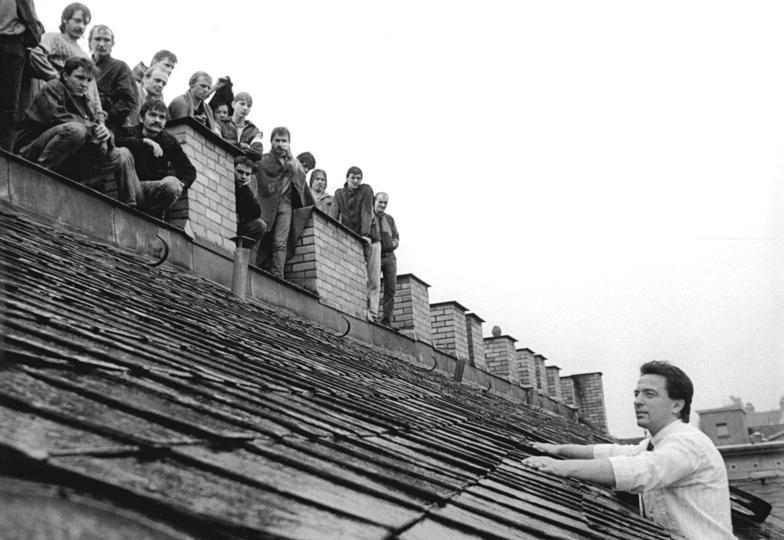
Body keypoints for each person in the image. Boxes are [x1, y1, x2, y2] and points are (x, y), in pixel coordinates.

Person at [522, 361, 735, 540]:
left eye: (649, 394)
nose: (637, 401)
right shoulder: (659, 442)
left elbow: (641, 470)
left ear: (677, 405)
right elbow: (615, 453)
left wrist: (562, 468)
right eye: (637, 393)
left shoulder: (688, 444)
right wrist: (560, 449)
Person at [15, 56, 138, 204]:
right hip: (30, 149)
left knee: (118, 156)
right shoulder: (54, 87)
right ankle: (37, 176)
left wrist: (106, 134)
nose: (84, 84)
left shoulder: (84, 101)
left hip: (65, 159)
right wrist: (93, 127)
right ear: (66, 75)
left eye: (88, 80)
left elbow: (95, 127)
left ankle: (75, 187)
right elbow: (58, 116)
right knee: (76, 130)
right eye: (79, 78)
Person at [115, 99, 196, 218]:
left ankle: (155, 215)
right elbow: (115, 142)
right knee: (123, 152)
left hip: (154, 190)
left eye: (162, 117)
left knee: (172, 184)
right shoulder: (130, 132)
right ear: (142, 118)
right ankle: (129, 208)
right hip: (132, 185)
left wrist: (181, 184)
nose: (157, 120)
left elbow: (189, 171)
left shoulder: (169, 141)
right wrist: (143, 142)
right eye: (153, 115)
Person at [256, 127, 315, 278]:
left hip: (286, 204)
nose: (280, 144)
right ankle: (251, 267)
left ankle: (277, 275)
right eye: (277, 140)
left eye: (284, 141)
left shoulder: (292, 162)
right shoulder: (264, 160)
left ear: (289, 143)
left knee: (280, 243)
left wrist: (290, 159)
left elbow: (300, 179)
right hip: (266, 201)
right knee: (259, 234)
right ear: (271, 142)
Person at [330, 166, 380, 321]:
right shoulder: (339, 194)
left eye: (359, 178)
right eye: (353, 177)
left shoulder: (366, 190)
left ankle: (372, 312)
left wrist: (365, 235)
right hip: (352, 239)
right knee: (356, 274)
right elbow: (334, 214)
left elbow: (366, 212)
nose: (356, 181)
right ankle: (356, 307)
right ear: (347, 178)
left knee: (373, 277)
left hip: (370, 239)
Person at [37, 3, 103, 119]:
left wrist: (99, 115)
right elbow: (36, 54)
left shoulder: (83, 55)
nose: (81, 26)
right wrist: (55, 77)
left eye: (85, 23)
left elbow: (92, 88)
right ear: (65, 19)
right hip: (52, 100)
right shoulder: (53, 38)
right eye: (77, 20)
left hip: (76, 105)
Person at [0, 0, 45, 150]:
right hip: (10, 45)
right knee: (8, 105)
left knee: (8, 105)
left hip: (10, 45)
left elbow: (33, 25)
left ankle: (5, 154)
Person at [88, 24, 135, 132]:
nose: (101, 44)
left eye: (106, 40)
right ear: (90, 42)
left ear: (112, 44)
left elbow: (128, 100)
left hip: (110, 126)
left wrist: (108, 114)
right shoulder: (83, 65)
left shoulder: (120, 67)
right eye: (97, 39)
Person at [374, 192, 398, 326]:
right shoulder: (370, 216)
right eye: (380, 202)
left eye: (385, 203)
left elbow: (396, 236)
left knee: (390, 289)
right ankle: (373, 315)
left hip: (390, 257)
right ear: (375, 201)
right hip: (375, 256)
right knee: (374, 285)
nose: (383, 205)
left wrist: (393, 243)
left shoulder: (389, 219)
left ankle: (387, 320)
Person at [233, 156, 266, 247]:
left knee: (260, 225)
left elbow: (255, 213)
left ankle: (242, 250)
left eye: (247, 174)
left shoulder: (244, 190)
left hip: (237, 225)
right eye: (240, 172)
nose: (243, 177)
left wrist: (244, 188)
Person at [218, 92, 263, 159]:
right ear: (233, 104)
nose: (245, 108)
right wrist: (241, 145)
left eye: (249, 106)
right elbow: (218, 142)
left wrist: (233, 146)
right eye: (242, 104)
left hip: (244, 167)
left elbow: (258, 152)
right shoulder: (220, 123)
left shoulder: (254, 130)